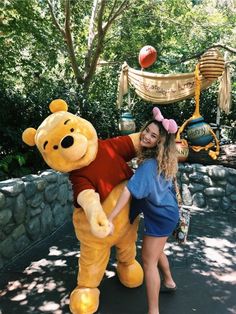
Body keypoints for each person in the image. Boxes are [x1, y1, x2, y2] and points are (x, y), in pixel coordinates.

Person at [108, 107, 179, 314]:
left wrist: (111, 217)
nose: (147, 136)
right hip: (167, 212)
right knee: (157, 251)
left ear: (159, 142)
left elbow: (129, 191)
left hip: (160, 215)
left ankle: (153, 311)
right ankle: (169, 281)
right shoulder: (163, 161)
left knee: (148, 262)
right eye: (146, 131)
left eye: (153, 135)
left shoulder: (149, 166)